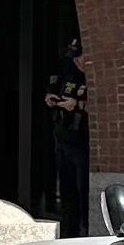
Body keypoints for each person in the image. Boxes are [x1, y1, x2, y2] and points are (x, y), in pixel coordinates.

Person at [43, 38, 91, 234]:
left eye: (80, 57)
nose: (77, 62)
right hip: (64, 139)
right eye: (74, 58)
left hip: (84, 144)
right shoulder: (69, 75)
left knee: (83, 193)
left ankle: (85, 229)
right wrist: (50, 98)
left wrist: (78, 106)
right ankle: (69, 231)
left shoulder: (95, 78)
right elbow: (53, 89)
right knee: (66, 193)